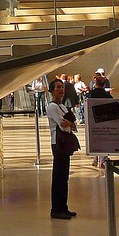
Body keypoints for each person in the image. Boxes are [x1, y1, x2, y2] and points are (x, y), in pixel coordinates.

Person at [46, 79, 77, 220]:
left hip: (66, 143)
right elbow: (63, 125)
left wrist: (70, 123)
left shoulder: (63, 107)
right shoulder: (52, 107)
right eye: (58, 87)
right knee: (58, 177)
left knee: (64, 177)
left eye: (62, 87)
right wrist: (70, 123)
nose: (61, 90)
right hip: (58, 143)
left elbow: (73, 125)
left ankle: (63, 207)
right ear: (52, 90)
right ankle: (56, 209)